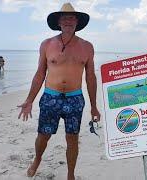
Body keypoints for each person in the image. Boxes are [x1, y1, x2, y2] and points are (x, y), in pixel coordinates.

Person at [17, 3, 100, 180]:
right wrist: (30, 99)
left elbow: (90, 77)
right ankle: (37, 159)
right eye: (64, 18)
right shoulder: (47, 44)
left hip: (75, 99)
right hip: (50, 98)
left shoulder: (87, 47)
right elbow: (40, 73)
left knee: (72, 138)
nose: (68, 21)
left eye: (72, 17)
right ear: (59, 22)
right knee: (43, 135)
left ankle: (70, 174)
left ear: (77, 22)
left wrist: (94, 106)